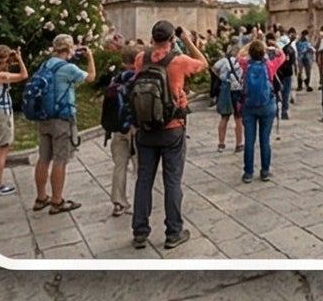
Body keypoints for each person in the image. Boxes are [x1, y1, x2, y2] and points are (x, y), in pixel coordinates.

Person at [130, 19, 207, 251]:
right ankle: (174, 231)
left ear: (152, 38)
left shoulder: (139, 59)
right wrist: (187, 41)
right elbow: (204, 63)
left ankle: (140, 232)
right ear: (171, 38)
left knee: (144, 180)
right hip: (172, 126)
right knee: (172, 181)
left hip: (145, 128)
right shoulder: (179, 60)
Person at [27, 31, 95, 215]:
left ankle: (41, 197)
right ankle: (57, 200)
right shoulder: (68, 68)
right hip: (62, 118)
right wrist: (89, 57)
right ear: (68, 48)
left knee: (43, 158)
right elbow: (90, 77)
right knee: (60, 160)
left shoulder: (46, 64)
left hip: (44, 117)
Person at [101, 43, 143, 218]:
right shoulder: (138, 79)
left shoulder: (115, 79)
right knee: (140, 167)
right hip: (134, 129)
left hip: (117, 129)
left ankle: (119, 202)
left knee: (119, 166)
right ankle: (141, 202)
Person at [0, 45, 27, 197]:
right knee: (3, 148)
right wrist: (20, 59)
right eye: (7, 59)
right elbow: (23, 75)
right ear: (2, 59)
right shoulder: (0, 76)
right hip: (2, 113)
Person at [239, 39, 280, 182]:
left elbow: (239, 55)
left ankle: (248, 173)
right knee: (265, 140)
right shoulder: (269, 65)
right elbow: (282, 55)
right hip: (267, 105)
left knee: (249, 140)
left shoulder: (245, 64)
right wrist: (273, 45)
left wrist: (250, 44)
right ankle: (265, 171)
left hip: (249, 106)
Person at [212, 41, 242, 151]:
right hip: (237, 89)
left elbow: (214, 68)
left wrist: (221, 76)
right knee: (238, 118)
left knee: (224, 117)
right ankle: (239, 143)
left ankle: (221, 143)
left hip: (226, 89)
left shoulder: (223, 61)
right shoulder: (241, 61)